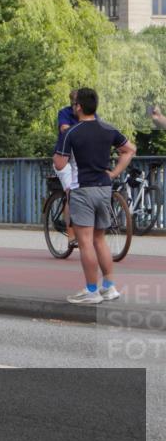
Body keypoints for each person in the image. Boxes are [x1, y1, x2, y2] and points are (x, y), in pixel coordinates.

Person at [54, 88, 137, 305]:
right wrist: (114, 173)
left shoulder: (71, 132)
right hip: (104, 188)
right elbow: (129, 149)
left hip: (82, 189)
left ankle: (91, 290)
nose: (73, 108)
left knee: (85, 242)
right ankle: (109, 287)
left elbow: (60, 163)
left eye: (74, 105)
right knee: (100, 239)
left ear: (79, 107)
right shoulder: (107, 128)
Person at [54, 90, 80, 244]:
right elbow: (64, 128)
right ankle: (71, 234)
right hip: (64, 158)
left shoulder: (91, 115)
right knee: (71, 192)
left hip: (81, 158)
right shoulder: (65, 113)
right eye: (75, 102)